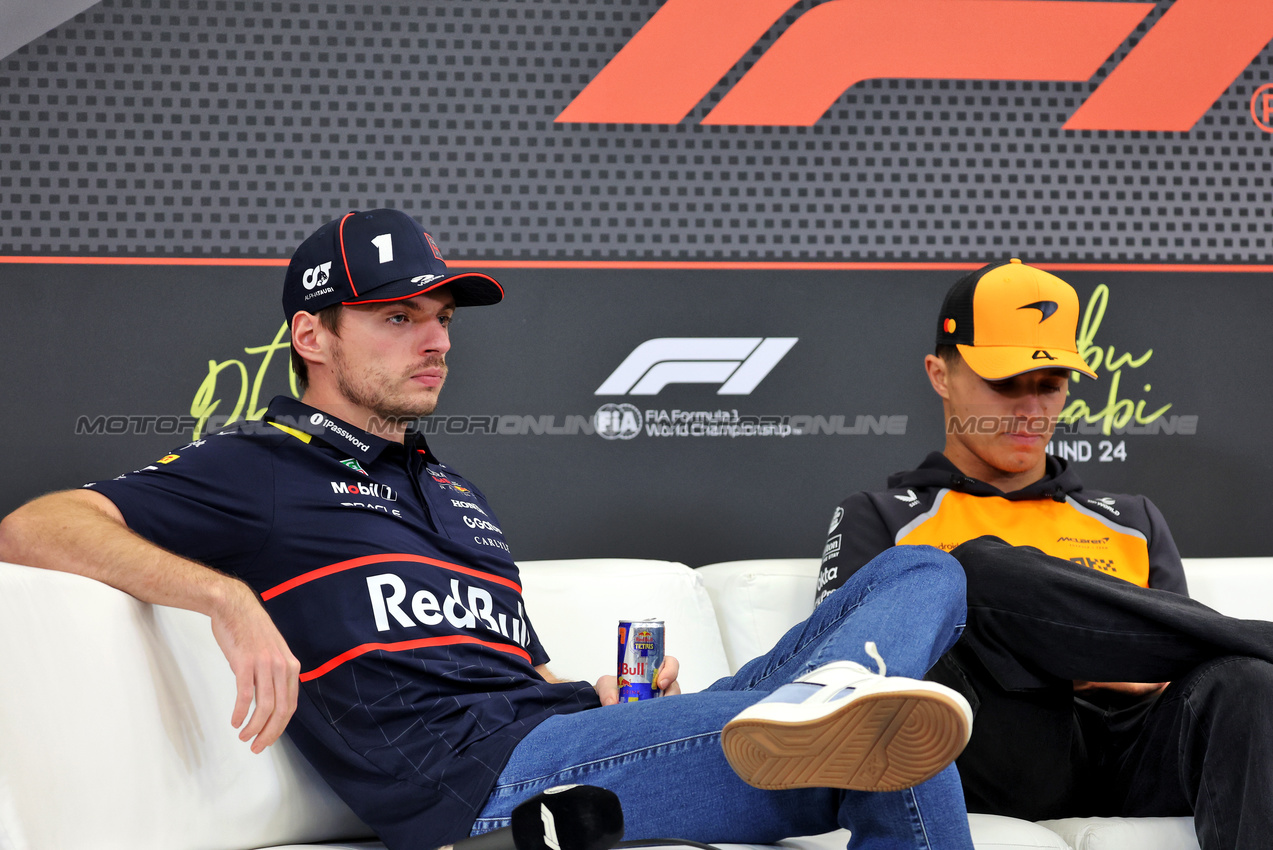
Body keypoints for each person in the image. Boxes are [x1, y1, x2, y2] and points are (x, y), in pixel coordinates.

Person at [0, 209, 979, 850]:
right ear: (312, 336)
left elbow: (515, 672)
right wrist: (225, 594)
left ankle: (823, 694)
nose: (434, 340)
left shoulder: (457, 493)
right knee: (901, 740)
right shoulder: (263, 464)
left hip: (571, 731)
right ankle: (827, 700)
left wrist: (594, 690)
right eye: (395, 316)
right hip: (487, 786)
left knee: (929, 573)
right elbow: (35, 524)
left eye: (440, 316)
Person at [814, 259, 1273, 849]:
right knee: (969, 571)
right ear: (940, 374)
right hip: (998, 750)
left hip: (1136, 758)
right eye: (1006, 383)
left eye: (1050, 384)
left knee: (1247, 683)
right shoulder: (884, 515)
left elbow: (1175, 678)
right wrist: (1078, 658)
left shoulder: (1131, 517)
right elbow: (847, 671)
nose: (1032, 409)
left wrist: (1091, 654)